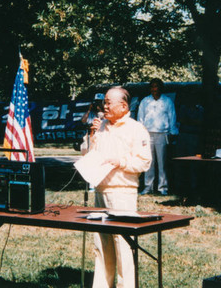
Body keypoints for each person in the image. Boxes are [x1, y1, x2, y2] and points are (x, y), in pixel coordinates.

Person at [88, 87, 151, 288]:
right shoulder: (101, 126)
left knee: (123, 245)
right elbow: (89, 156)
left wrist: (120, 161)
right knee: (101, 244)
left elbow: (144, 162)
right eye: (104, 103)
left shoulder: (136, 129)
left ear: (123, 106)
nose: (104, 107)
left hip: (122, 192)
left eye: (108, 103)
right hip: (100, 191)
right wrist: (92, 135)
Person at [137, 78, 178, 195]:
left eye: (157, 86)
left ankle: (163, 187)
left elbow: (172, 117)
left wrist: (172, 132)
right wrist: (140, 134)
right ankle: (148, 187)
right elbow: (140, 118)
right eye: (153, 87)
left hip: (162, 134)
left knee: (162, 162)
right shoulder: (145, 101)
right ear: (150, 88)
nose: (155, 89)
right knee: (148, 161)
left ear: (161, 88)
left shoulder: (167, 101)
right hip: (147, 134)